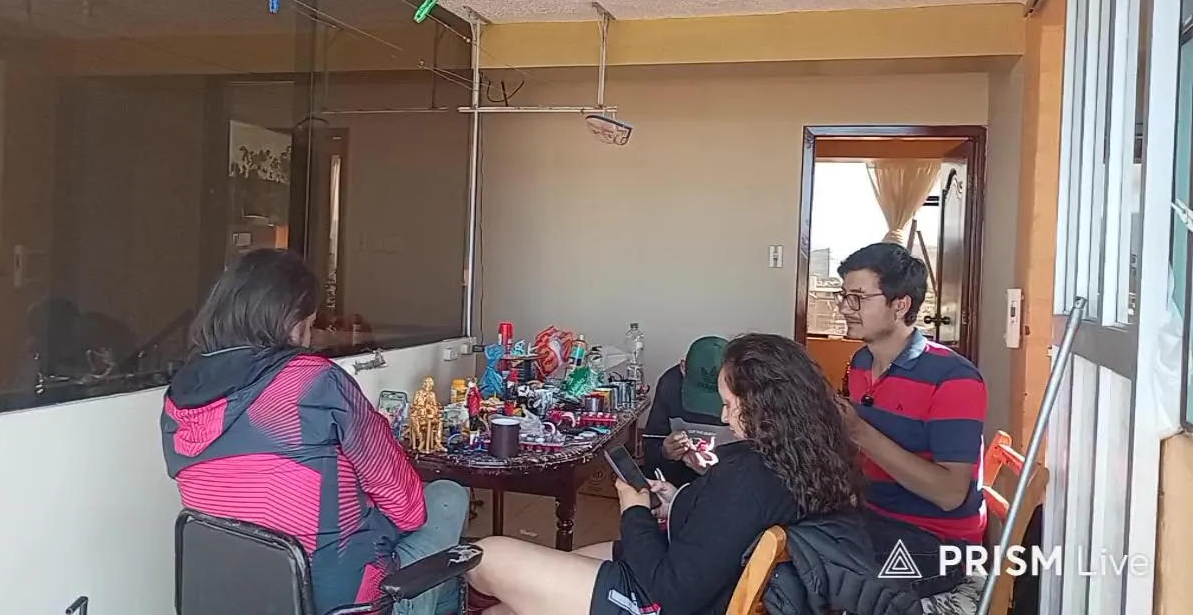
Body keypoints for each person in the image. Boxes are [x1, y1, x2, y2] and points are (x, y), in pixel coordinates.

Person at [160, 248, 469, 615]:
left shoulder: (178, 397)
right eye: (308, 326)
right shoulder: (314, 380)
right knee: (448, 496)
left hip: (241, 600)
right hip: (345, 603)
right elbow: (408, 509)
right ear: (290, 321)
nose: (307, 340)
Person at [466, 333, 862, 615]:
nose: (724, 416)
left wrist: (634, 510)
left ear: (766, 404)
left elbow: (673, 593)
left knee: (486, 558)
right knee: (510, 604)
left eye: (729, 405)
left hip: (662, 599)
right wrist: (678, 502)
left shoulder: (748, 477)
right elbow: (728, 524)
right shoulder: (801, 458)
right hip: (691, 568)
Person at [834, 242, 988, 546]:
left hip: (937, 540)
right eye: (843, 296)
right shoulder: (861, 362)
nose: (844, 308)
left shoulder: (954, 378)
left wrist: (858, 431)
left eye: (858, 298)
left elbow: (950, 495)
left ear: (900, 305)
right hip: (872, 518)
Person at [640, 336, 733, 486]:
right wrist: (665, 453)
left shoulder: (753, 393)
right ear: (683, 367)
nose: (723, 416)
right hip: (679, 485)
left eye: (726, 403)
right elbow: (651, 446)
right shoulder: (670, 385)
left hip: (732, 485)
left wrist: (721, 471)